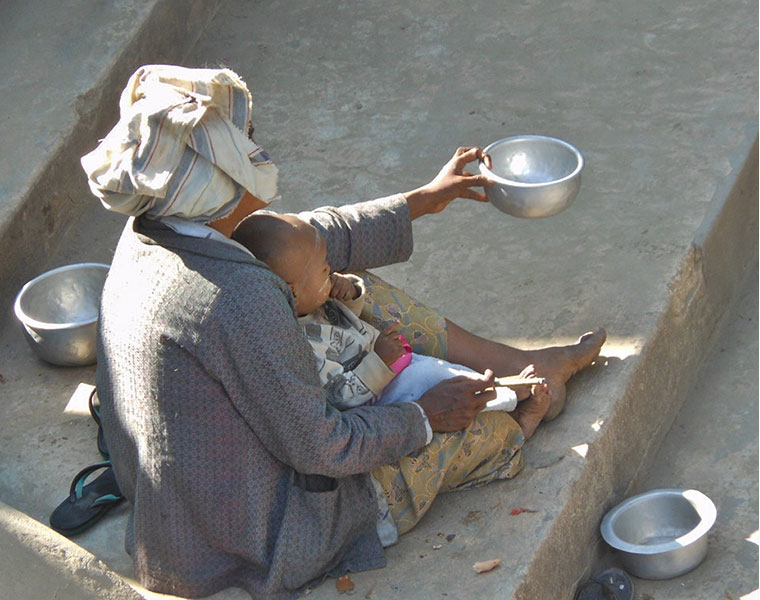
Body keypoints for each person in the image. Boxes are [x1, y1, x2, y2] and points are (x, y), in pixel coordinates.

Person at [81, 64, 606, 599]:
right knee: (474, 432)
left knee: (329, 275)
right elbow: (323, 449)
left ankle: (521, 363)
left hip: (183, 514)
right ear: (221, 175)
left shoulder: (162, 223)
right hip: (255, 536)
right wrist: (426, 416)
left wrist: (426, 198)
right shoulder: (236, 297)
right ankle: (522, 411)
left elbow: (307, 237)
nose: (260, 149)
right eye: (248, 142)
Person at [230, 211, 550, 439]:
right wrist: (379, 362)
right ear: (291, 290)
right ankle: (517, 402)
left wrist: (350, 291)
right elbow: (339, 397)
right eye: (324, 270)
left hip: (396, 367)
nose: (331, 273)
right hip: (381, 399)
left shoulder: (309, 302)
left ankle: (504, 391)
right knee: (447, 386)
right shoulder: (299, 346)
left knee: (443, 372)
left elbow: (349, 316)